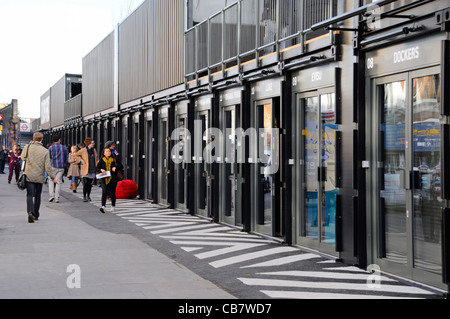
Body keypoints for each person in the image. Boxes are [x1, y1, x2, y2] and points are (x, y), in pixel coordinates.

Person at [21, 133, 59, 223]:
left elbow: (23, 157)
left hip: (29, 175)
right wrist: (53, 177)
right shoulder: (45, 151)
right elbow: (48, 166)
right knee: (37, 196)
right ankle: (36, 214)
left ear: (33, 139)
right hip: (39, 177)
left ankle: (30, 211)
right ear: (41, 140)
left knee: (29, 195)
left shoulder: (27, 147)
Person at [96, 147, 123, 213]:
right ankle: (103, 206)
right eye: (107, 151)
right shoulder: (102, 160)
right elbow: (97, 168)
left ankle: (113, 206)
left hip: (113, 178)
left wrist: (115, 168)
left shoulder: (114, 159)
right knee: (104, 192)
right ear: (104, 153)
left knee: (113, 193)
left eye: (109, 151)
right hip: (104, 179)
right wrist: (101, 170)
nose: (108, 153)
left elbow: (121, 167)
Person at [48, 136, 69, 203]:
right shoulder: (64, 147)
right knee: (58, 181)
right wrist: (64, 164)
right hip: (61, 166)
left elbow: (49, 157)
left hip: (53, 166)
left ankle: (52, 195)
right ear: (59, 140)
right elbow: (66, 157)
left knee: (51, 180)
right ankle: (57, 198)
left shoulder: (51, 148)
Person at [76, 138, 98, 202]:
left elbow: (96, 159)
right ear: (88, 144)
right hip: (85, 169)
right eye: (92, 143)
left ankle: (88, 195)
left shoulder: (94, 150)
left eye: (93, 143)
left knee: (90, 184)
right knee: (85, 183)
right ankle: (84, 196)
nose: (93, 144)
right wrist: (81, 160)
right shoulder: (83, 150)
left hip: (92, 168)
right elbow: (75, 155)